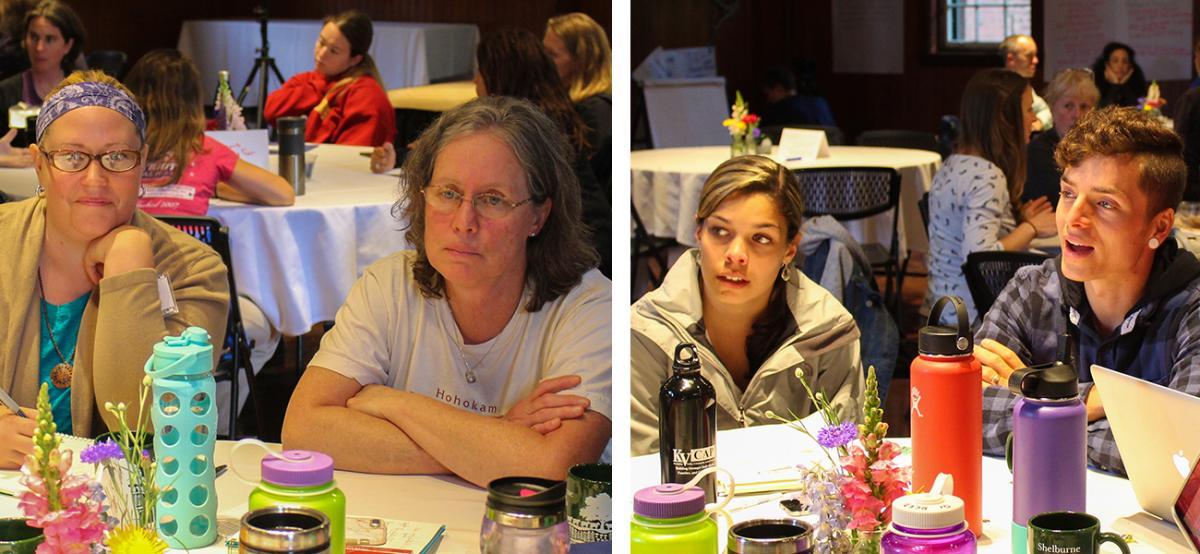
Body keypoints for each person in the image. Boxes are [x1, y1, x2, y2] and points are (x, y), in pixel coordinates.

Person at [281, 96, 611, 487]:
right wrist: (498, 434)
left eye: (493, 200)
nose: (464, 222)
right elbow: (303, 430)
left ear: (538, 216)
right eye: (448, 193)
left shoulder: (590, 308)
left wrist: (392, 401)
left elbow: (552, 468)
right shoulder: (388, 285)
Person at [0, 70, 229, 466]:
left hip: (134, 514)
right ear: (39, 165)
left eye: (117, 157)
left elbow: (148, 423)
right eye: (72, 157)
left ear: (143, 164)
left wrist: (130, 262)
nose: (95, 179)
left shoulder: (196, 271)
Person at [976, 106, 1200, 475]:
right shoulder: (1031, 290)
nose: (1073, 220)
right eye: (1068, 193)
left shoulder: (1190, 311)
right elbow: (964, 409)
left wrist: (1037, 399)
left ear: (1158, 228)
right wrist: (1096, 402)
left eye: (1105, 204)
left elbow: (1184, 456)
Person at [630, 155, 864, 456]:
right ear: (698, 232)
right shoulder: (645, 332)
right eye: (720, 232)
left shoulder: (828, 332)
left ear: (789, 249)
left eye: (761, 238)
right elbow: (641, 465)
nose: (736, 254)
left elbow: (844, 455)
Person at [124, 49, 293, 434]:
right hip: (189, 303)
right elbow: (281, 193)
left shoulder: (121, 154)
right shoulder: (202, 151)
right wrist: (219, 186)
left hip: (125, 298)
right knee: (263, 328)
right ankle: (207, 428)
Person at [371, 28, 611, 277]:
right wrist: (398, 156)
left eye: (481, 71)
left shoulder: (532, 138)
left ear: (501, 78)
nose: (476, 80)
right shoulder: (544, 122)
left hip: (569, 262)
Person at [924, 68, 1056, 323]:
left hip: (943, 308)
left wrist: (1016, 223)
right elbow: (980, 258)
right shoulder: (987, 175)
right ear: (1005, 119)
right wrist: (1031, 227)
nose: (1034, 121)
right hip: (972, 317)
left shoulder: (953, 163)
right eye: (1029, 110)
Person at [125, 50, 294, 215]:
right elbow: (283, 194)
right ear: (193, 101)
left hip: (125, 242)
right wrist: (215, 186)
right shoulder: (205, 150)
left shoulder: (117, 150)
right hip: (187, 242)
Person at [263, 9, 394, 147]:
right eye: (321, 42)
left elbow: (352, 155)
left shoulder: (366, 96)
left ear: (355, 60)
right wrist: (319, 87)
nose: (321, 53)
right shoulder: (315, 78)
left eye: (334, 51)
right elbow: (271, 111)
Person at [544, 12, 611, 194]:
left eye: (552, 55)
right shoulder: (569, 104)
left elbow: (583, 185)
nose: (544, 63)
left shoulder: (594, 112)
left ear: (581, 61)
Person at [1023, 68, 1099, 207]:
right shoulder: (1037, 152)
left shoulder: (1099, 149)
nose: (1077, 114)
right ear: (1052, 109)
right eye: (1068, 106)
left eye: (1084, 106)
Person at [0, 0, 83, 111]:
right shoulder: (5, 92)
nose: (39, 48)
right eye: (34, 37)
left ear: (68, 45)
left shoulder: (82, 92)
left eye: (49, 39)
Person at [999, 34, 1051, 131]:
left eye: (1035, 55)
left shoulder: (1025, 87)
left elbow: (1045, 111)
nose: (1036, 60)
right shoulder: (997, 88)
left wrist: (1039, 122)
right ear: (1011, 59)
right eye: (1029, 55)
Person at [758, 65, 836, 128]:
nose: (768, 100)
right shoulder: (821, 103)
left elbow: (761, 135)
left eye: (768, 94)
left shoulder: (777, 110)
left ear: (779, 89)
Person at [1092, 42, 1148, 108]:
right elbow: (1101, 111)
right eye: (1115, 61)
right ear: (1107, 65)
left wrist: (1123, 86)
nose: (1120, 65)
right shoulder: (1094, 86)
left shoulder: (1138, 85)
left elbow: (1138, 110)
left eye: (1125, 61)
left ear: (1130, 65)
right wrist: (1115, 86)